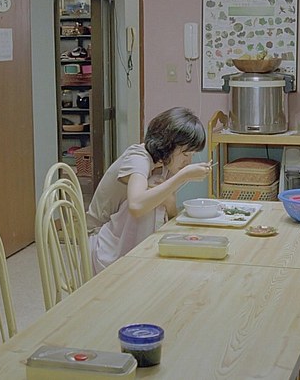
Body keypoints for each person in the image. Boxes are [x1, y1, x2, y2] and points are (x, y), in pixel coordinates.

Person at [88, 107, 211, 274]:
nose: (188, 161)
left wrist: (169, 200)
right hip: (101, 242)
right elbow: (136, 206)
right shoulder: (138, 158)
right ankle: (139, 266)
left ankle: (146, 264)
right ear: (167, 145)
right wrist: (182, 177)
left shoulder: (165, 164)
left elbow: (171, 214)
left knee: (156, 191)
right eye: (185, 154)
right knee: (151, 191)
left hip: (119, 237)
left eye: (192, 155)